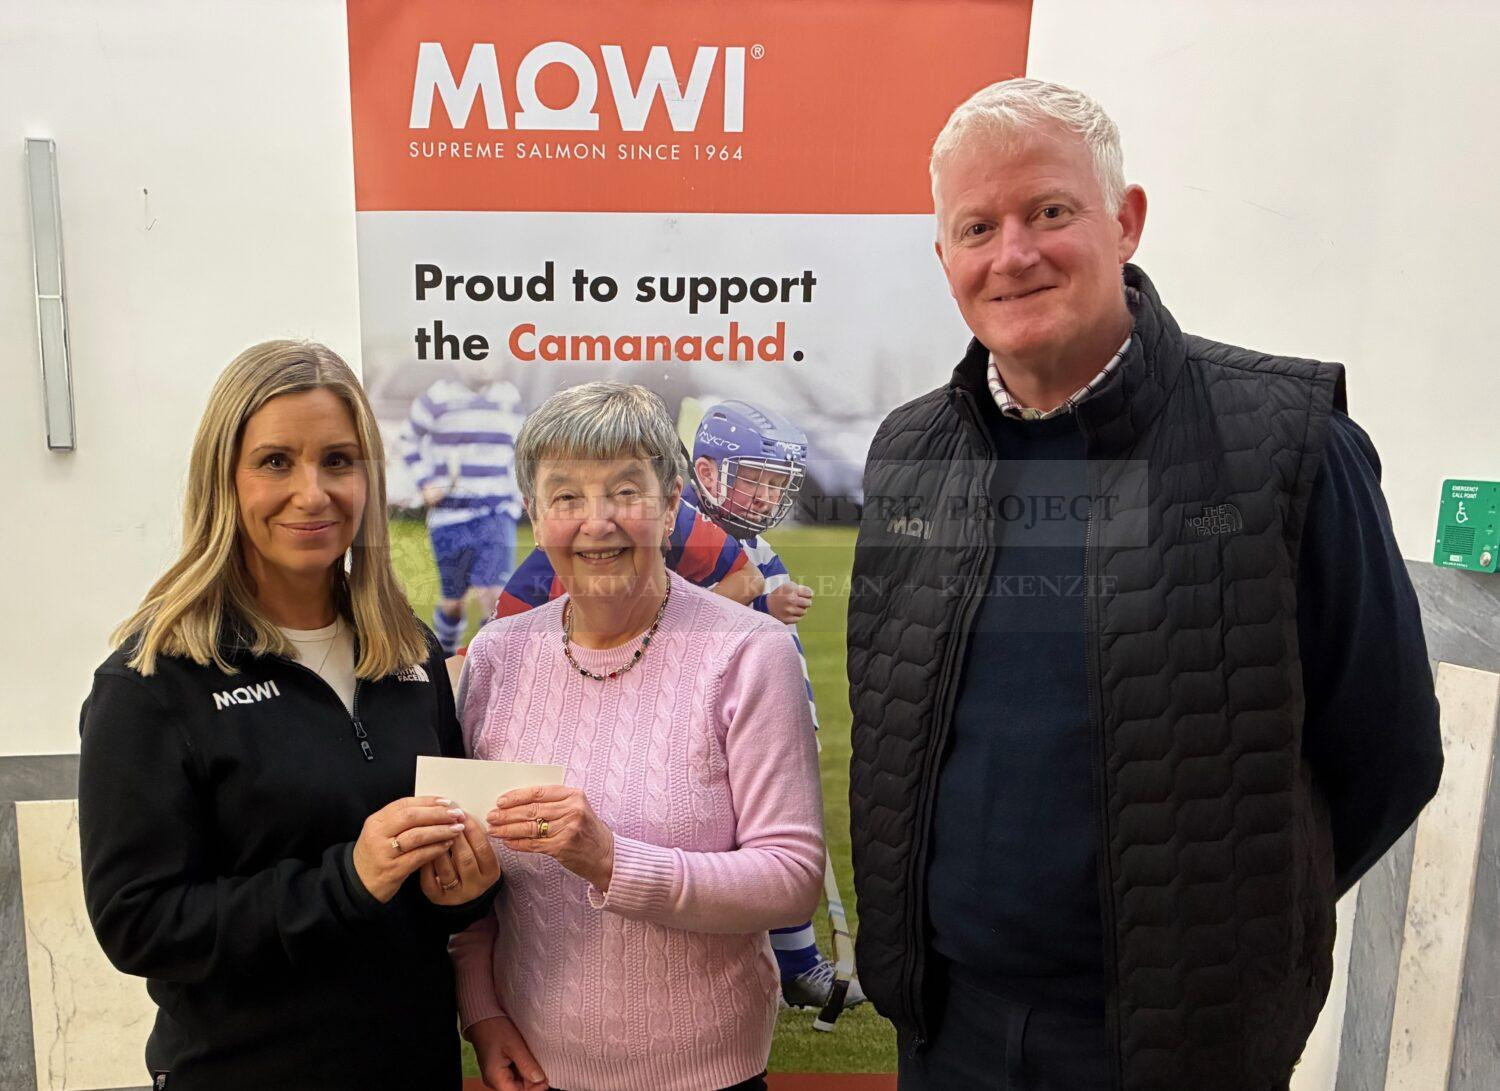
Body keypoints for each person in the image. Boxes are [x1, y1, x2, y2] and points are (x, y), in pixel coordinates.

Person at [846, 79, 1444, 1090]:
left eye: (1048, 211)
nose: (1013, 253)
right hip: (949, 1028)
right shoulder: (914, 448)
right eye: (976, 226)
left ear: (1123, 221)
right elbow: (893, 714)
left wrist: (1235, 930)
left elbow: (1388, 751)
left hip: (1170, 1044)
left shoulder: (1287, 442)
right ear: (944, 257)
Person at [78, 341, 501, 1090]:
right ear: (225, 479)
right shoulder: (153, 682)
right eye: (276, 461)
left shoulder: (408, 652)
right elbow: (138, 923)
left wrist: (465, 886)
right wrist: (344, 879)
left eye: (338, 460)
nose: (313, 492)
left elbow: (433, 897)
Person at [451, 381, 825, 1091]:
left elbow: (792, 879)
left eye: (625, 490)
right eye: (565, 497)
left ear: (673, 499)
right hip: (533, 1068)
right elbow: (474, 877)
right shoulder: (497, 656)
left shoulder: (748, 652)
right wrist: (482, 1010)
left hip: (709, 1075)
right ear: (534, 512)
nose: (597, 522)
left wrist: (612, 861)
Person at [400, 359, 526, 653]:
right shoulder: (438, 397)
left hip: (495, 512)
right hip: (451, 516)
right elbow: (408, 439)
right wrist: (426, 481)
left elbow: (522, 448)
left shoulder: (509, 397)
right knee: (453, 602)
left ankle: (488, 665)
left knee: (494, 597)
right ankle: (445, 655)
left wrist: (519, 492)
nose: (484, 363)